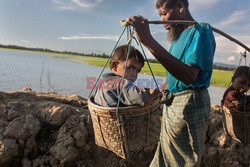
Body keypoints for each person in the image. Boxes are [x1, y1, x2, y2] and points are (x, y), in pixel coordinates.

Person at [125, 0, 216, 166]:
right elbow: (171, 76)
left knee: (182, 160)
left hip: (188, 105)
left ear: (180, 7)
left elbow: (189, 76)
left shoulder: (200, 30)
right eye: (160, 15)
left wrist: (148, 41)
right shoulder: (177, 39)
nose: (162, 20)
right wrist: (155, 95)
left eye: (164, 14)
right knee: (165, 158)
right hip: (172, 106)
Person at [94, 44, 162, 107]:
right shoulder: (121, 83)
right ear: (115, 66)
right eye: (131, 68)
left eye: (137, 71)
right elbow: (141, 98)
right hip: (119, 118)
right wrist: (154, 95)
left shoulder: (102, 82)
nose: (134, 74)